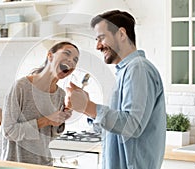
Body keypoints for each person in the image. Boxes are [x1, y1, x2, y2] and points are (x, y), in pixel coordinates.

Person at [65, 10, 166, 169]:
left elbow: (132, 126)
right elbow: (114, 128)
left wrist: (89, 107)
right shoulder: (125, 71)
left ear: (121, 34)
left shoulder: (138, 69)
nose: (98, 46)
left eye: (101, 38)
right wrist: (86, 107)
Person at [0, 41, 80, 166]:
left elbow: (49, 135)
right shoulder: (21, 87)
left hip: (42, 163)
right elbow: (9, 131)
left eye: (75, 60)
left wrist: (62, 118)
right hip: (15, 163)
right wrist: (46, 120)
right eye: (67, 54)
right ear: (50, 56)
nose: (71, 60)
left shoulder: (60, 94)